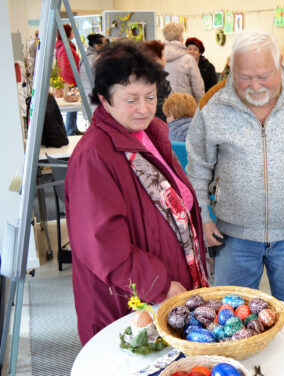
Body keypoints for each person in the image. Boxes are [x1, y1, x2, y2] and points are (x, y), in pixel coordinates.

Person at [65, 41, 209, 345]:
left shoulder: (152, 133)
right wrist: (160, 285)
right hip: (130, 302)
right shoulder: (95, 156)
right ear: (104, 99)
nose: (144, 108)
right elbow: (103, 247)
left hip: (167, 293)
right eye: (131, 99)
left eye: (150, 96)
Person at [187, 29, 284, 310]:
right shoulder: (213, 104)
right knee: (230, 314)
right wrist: (202, 216)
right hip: (233, 235)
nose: (255, 86)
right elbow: (198, 164)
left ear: (279, 62)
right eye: (244, 77)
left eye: (263, 76)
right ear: (231, 68)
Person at [162, 22, 205, 102]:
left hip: (164, 106)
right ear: (180, 38)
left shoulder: (157, 58)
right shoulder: (188, 59)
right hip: (185, 106)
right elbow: (198, 88)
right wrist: (202, 106)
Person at [55, 24, 81, 135]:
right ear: (67, 33)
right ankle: (70, 130)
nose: (73, 33)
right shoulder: (66, 48)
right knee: (72, 107)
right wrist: (79, 77)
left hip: (69, 81)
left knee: (73, 107)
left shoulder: (65, 47)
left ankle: (73, 128)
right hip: (71, 82)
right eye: (72, 31)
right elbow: (66, 68)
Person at [79, 33, 108, 117]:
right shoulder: (95, 58)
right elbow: (100, 77)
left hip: (87, 93)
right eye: (104, 43)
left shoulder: (85, 56)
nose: (106, 46)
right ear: (96, 45)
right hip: (93, 95)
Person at [145, 40, 172, 122]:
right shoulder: (156, 77)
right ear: (156, 57)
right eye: (163, 55)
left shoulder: (149, 74)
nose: (165, 58)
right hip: (159, 121)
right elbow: (159, 105)